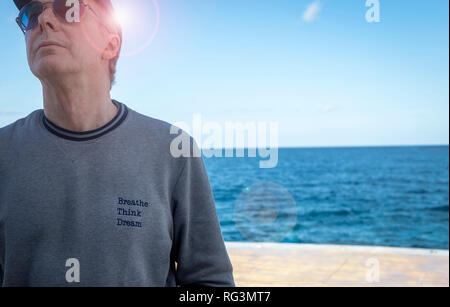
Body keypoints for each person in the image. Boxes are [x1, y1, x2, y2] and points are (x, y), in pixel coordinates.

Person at [0, 0, 235, 287]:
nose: (44, 20)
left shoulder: (174, 150)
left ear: (110, 45)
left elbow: (209, 280)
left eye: (67, 7)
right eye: (31, 14)